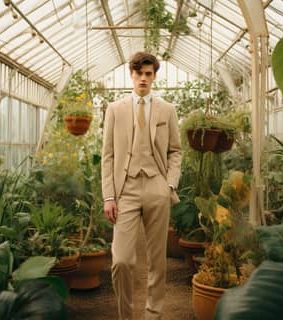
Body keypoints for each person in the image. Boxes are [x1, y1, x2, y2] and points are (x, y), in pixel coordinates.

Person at [101, 51, 182, 320]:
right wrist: (109, 196)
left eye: (149, 74)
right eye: (139, 73)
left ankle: (153, 315)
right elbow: (108, 156)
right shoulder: (115, 109)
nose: (144, 78)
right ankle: (126, 316)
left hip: (157, 187)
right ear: (131, 74)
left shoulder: (167, 110)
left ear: (154, 76)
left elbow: (175, 151)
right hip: (126, 190)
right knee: (122, 261)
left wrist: (169, 185)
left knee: (157, 261)